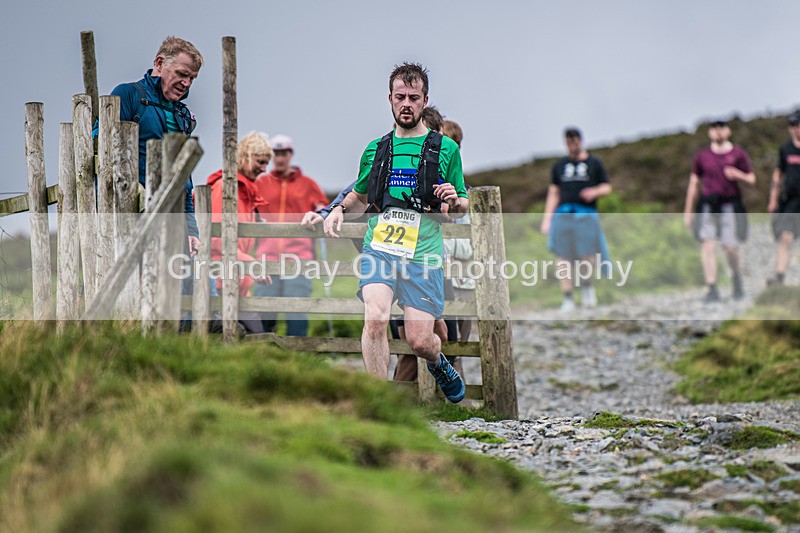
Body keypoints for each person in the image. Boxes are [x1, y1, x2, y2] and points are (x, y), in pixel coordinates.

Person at [323, 62, 468, 403]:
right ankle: (378, 403)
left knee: (420, 341)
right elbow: (359, 196)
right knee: (375, 318)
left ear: (424, 100)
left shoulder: (446, 149)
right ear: (389, 99)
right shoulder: (376, 149)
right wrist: (337, 210)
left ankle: (438, 361)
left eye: (413, 98)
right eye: (400, 97)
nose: (406, 104)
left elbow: (461, 204)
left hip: (423, 252)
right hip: (381, 247)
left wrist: (453, 200)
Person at [110, 35, 203, 257]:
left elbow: (184, 178)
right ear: (159, 64)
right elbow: (102, 153)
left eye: (192, 78)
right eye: (182, 74)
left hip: (172, 218)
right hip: (130, 213)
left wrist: (191, 229)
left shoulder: (182, 115)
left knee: (175, 287)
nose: (186, 83)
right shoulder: (129, 96)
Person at [253, 135, 329, 336]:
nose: (279, 158)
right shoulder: (260, 183)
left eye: (283, 153)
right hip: (266, 257)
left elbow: (322, 208)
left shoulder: (308, 184)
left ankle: (298, 358)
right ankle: (264, 355)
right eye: (275, 154)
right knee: (265, 310)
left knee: (296, 310)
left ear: (290, 154)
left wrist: (321, 211)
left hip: (299, 257)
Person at [206, 131, 273, 334]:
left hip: (239, 285)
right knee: (246, 337)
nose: (264, 169)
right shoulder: (224, 189)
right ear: (244, 157)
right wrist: (251, 264)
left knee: (254, 339)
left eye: (266, 163)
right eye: (260, 162)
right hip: (221, 283)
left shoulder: (246, 193)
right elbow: (218, 240)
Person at [541, 127, 612, 312]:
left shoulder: (594, 163)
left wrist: (594, 192)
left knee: (586, 254)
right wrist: (547, 219)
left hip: (586, 214)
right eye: (569, 141)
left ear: (581, 140)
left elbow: (606, 187)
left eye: (575, 140)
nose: (573, 144)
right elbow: (554, 193)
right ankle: (568, 297)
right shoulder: (559, 166)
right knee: (562, 256)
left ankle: (587, 288)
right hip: (563, 215)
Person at [683, 120, 755, 302]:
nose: (718, 132)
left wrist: (737, 174)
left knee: (730, 247)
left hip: (730, 204)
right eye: (714, 129)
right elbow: (694, 183)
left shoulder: (738, 153)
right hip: (708, 204)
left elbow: (752, 178)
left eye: (721, 128)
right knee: (708, 244)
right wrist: (688, 211)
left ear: (728, 131)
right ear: (709, 133)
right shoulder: (702, 156)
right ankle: (712, 287)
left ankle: (736, 277)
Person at [441, 119, 474, 343]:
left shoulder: (466, 194)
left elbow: (469, 245)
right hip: (436, 277)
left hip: (463, 280)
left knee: (457, 347)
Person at [767, 112, 800, 286]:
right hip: (791, 202)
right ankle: (779, 277)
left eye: (799, 125)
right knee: (785, 238)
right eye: (793, 126)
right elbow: (777, 175)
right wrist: (773, 199)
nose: (796, 129)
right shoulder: (786, 149)